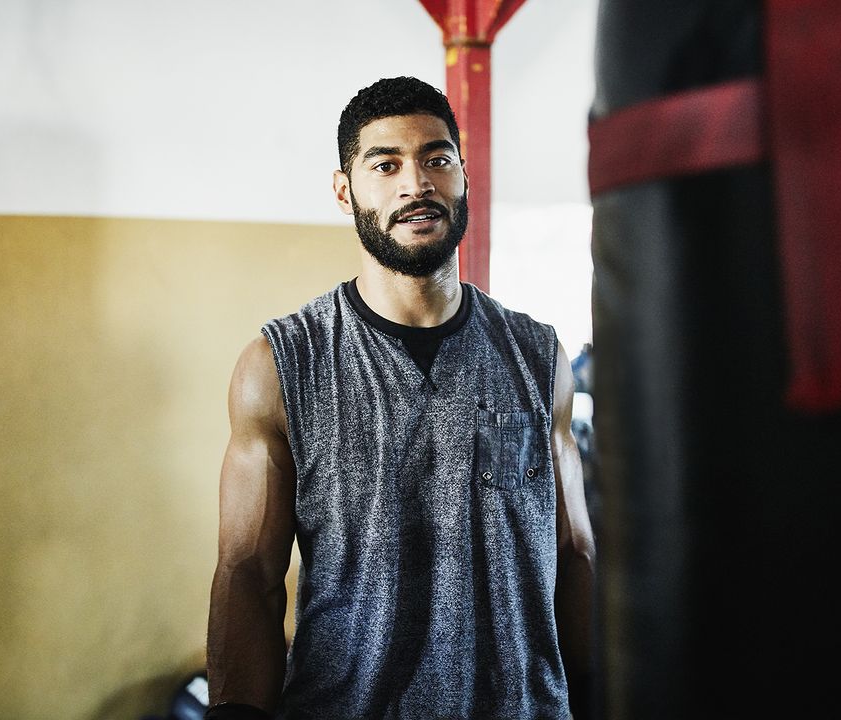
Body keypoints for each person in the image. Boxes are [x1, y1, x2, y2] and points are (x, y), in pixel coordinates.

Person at [206, 76, 596, 720]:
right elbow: (248, 571)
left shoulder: (538, 356)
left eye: (437, 159)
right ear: (344, 191)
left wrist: (595, 695)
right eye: (385, 165)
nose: (416, 184)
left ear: (463, 176)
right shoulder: (281, 365)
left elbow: (574, 551)